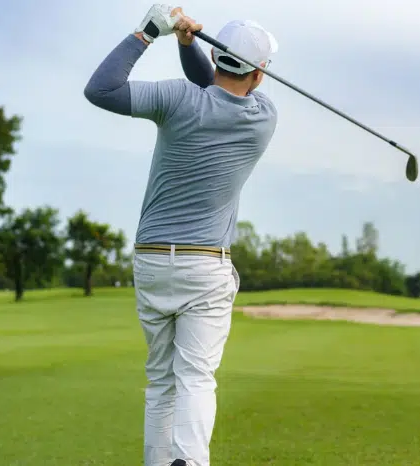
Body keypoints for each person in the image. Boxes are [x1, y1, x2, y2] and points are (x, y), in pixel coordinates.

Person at [83, 4, 279, 466]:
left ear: (215, 57)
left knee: (161, 381)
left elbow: (101, 89)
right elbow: (218, 88)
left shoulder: (176, 99)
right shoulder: (263, 117)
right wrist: (190, 48)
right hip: (205, 266)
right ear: (259, 75)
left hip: (152, 260)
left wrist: (149, 34)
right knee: (196, 377)